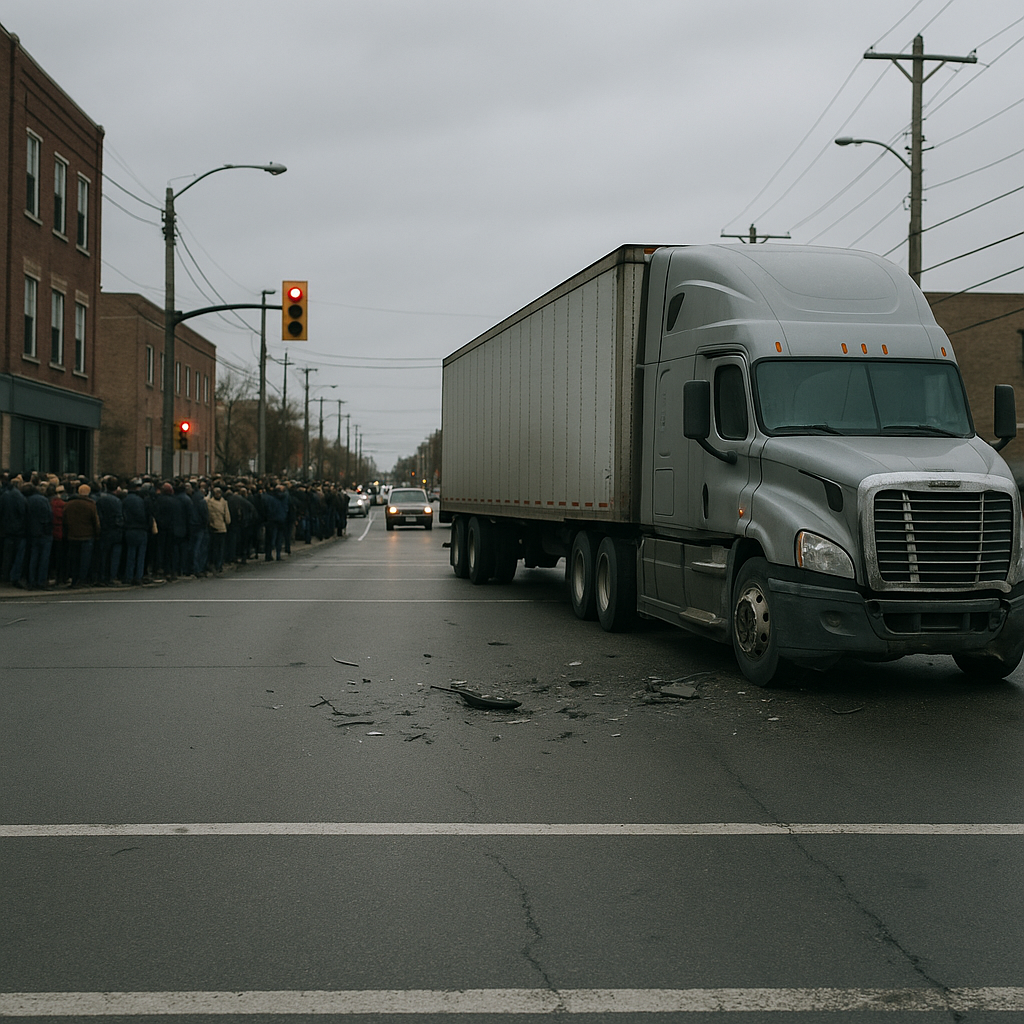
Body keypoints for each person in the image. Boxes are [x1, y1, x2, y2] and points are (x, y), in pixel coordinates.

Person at [63, 483, 100, 587]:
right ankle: (82, 579)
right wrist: (97, 534)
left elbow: (64, 520)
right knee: (85, 559)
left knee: (74, 559)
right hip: (87, 535)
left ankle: (74, 579)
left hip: (72, 535)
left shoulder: (68, 504)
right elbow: (95, 521)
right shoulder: (91, 505)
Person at [95, 477, 125, 586]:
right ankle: (112, 577)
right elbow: (119, 517)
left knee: (103, 555)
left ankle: (102, 577)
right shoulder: (117, 501)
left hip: (105, 530)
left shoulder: (100, 499)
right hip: (115, 531)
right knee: (114, 555)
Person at [121, 480, 150, 585]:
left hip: (129, 529)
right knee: (141, 555)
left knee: (130, 554)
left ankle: (129, 576)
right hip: (141, 529)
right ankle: (139, 576)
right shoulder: (141, 500)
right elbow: (145, 515)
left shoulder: (125, 500)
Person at [24, 484, 53, 589]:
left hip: (32, 532)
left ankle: (32, 580)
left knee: (33, 557)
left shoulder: (27, 500)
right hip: (44, 533)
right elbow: (49, 515)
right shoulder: (43, 500)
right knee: (44, 558)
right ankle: (41, 580)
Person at [206, 485, 231, 573]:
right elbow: (227, 515)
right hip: (218, 527)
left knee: (217, 547)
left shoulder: (210, 502)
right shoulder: (222, 502)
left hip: (217, 527)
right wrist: (227, 522)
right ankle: (218, 564)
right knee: (218, 548)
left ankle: (217, 564)